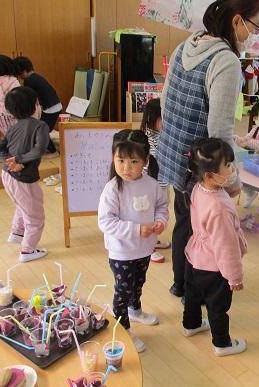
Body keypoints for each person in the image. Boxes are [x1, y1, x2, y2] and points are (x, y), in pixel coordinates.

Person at [157, 0, 259, 299]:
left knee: (185, 222)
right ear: (236, 21)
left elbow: (165, 102)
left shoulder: (186, 44)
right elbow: (219, 130)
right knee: (206, 230)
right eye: (254, 27)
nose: (253, 35)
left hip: (174, 153)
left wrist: (176, 139)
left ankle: (179, 284)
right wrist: (231, 179)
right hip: (203, 165)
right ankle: (196, 291)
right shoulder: (226, 61)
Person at [98, 129, 169, 353]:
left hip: (144, 249)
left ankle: (135, 310)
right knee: (123, 290)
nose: (126, 167)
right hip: (121, 252)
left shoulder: (151, 184)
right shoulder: (112, 189)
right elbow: (106, 222)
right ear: (113, 158)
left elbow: (161, 206)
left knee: (138, 283)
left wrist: (160, 221)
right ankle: (123, 329)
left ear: (145, 161)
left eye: (133, 161)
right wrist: (137, 229)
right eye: (120, 160)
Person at [182, 138, 248, 356]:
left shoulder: (200, 188)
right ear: (210, 175)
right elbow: (226, 247)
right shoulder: (219, 207)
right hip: (214, 267)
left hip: (194, 257)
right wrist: (234, 277)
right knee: (218, 307)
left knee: (192, 296)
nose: (232, 169)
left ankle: (190, 325)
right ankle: (222, 344)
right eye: (227, 166)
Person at [0, 86, 49, 262]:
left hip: (7, 175)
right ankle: (27, 250)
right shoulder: (40, 125)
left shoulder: (13, 126)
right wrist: (18, 160)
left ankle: (17, 234)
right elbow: (39, 150)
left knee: (21, 205)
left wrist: (10, 160)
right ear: (35, 105)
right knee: (35, 216)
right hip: (24, 179)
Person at [140, 98, 171, 263]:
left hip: (161, 182)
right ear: (153, 119)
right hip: (152, 185)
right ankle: (149, 248)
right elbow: (159, 156)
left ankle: (153, 241)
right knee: (151, 215)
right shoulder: (150, 137)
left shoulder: (157, 133)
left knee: (160, 213)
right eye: (162, 118)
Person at [13, 56, 62, 156]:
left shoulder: (29, 81)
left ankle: (54, 152)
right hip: (54, 105)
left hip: (52, 108)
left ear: (23, 71)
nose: (19, 76)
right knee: (41, 129)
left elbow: (29, 97)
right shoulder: (35, 77)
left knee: (41, 131)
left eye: (19, 74)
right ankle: (45, 146)